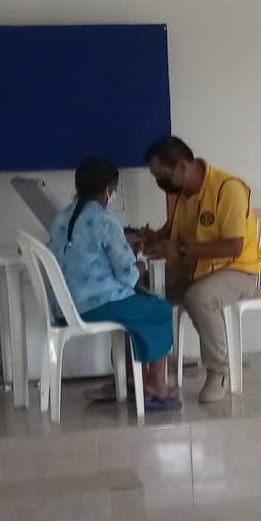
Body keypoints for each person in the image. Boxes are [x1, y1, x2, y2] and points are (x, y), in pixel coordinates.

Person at [48, 157, 180, 411]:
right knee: (160, 309)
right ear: (109, 190)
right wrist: (140, 265)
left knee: (135, 311)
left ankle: (132, 379)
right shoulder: (105, 221)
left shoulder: (61, 218)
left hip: (63, 308)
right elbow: (128, 276)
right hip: (93, 305)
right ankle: (156, 385)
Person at [143, 136, 261, 403]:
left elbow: (233, 246)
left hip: (236, 269)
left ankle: (219, 372)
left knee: (199, 297)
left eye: (161, 176)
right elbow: (174, 229)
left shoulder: (227, 189)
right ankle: (142, 376)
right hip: (195, 266)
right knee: (142, 287)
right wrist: (152, 237)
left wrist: (179, 251)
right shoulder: (177, 193)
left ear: (182, 167)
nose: (159, 183)